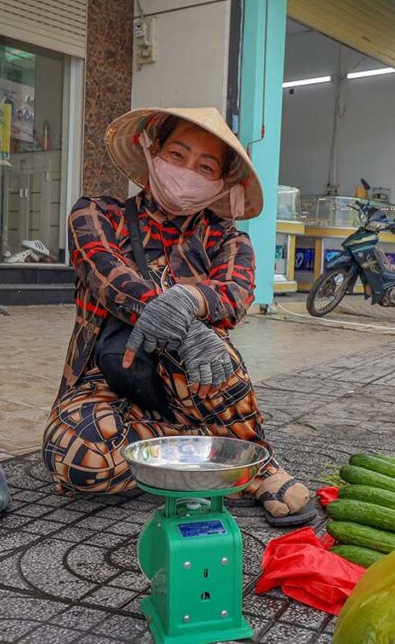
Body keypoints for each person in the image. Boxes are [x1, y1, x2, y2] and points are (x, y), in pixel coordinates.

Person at [42, 107, 316, 527]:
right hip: (104, 382)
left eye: (205, 166)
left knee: (209, 348)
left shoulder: (227, 240)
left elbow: (235, 294)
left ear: (221, 183)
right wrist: (183, 321)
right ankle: (216, 454)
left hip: (193, 386)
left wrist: (189, 302)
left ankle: (255, 468)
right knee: (82, 460)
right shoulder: (97, 214)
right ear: (152, 152)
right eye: (177, 155)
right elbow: (107, 276)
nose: (187, 171)